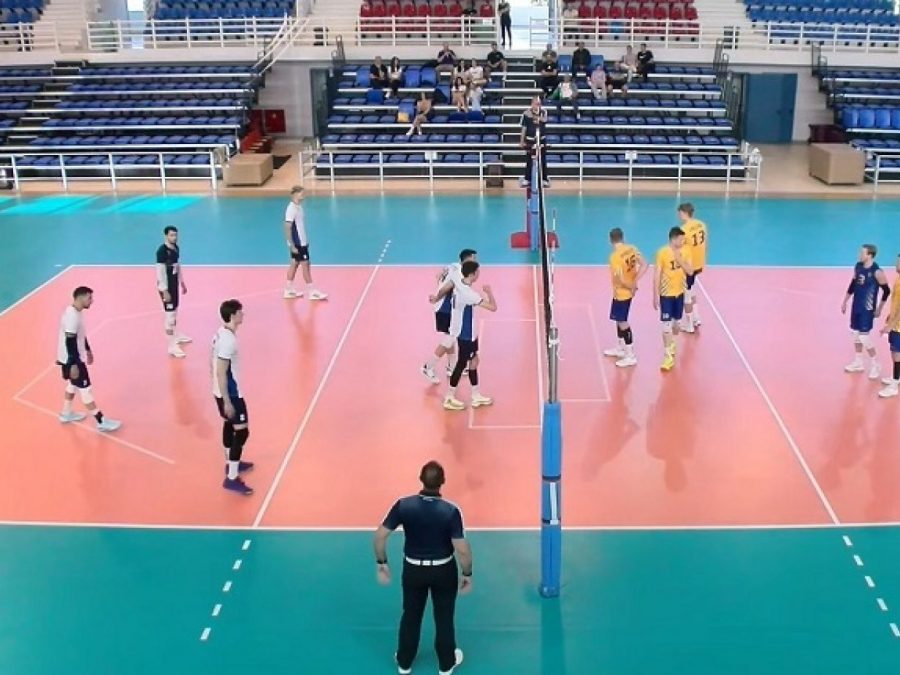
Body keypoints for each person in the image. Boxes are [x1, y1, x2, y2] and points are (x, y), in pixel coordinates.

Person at [374, 460, 473, 675]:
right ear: (443, 481)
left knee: (411, 615)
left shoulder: (403, 505)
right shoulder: (451, 511)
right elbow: (462, 550)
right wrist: (467, 573)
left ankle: (404, 662)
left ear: (421, 479)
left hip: (413, 570)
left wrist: (382, 563)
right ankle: (446, 664)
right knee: (444, 617)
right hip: (443, 571)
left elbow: (380, 536)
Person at [56, 286, 121, 432]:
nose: (92, 301)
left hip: (71, 357)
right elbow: (70, 340)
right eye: (89, 298)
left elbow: (80, 335)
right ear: (80, 297)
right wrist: (74, 364)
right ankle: (101, 421)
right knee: (85, 389)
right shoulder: (72, 316)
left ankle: (66, 413)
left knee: (72, 384)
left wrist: (88, 349)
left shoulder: (76, 312)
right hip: (72, 359)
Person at [212, 299, 254, 495]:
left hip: (220, 391)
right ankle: (231, 477)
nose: (243, 314)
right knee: (242, 432)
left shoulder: (220, 333)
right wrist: (228, 401)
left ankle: (231, 462)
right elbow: (221, 371)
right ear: (233, 315)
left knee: (229, 424)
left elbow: (212, 363)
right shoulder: (229, 341)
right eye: (240, 312)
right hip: (231, 393)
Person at [444, 260, 497, 411]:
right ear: (472, 274)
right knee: (462, 364)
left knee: (474, 361)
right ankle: (449, 397)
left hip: (470, 333)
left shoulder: (459, 283)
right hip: (465, 334)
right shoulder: (469, 294)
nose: (479, 274)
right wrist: (489, 292)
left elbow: (452, 273)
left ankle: (476, 395)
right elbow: (493, 307)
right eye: (478, 272)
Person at [423, 249, 478, 384]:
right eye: (474, 258)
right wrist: (437, 298)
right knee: (451, 337)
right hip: (445, 308)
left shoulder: (453, 266)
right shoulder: (459, 273)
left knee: (451, 336)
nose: (476, 261)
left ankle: (452, 367)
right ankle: (428, 367)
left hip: (446, 307)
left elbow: (439, 276)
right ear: (467, 259)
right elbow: (446, 287)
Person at [842, 244, 890, 380]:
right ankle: (858, 362)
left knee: (864, 337)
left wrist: (879, 308)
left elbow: (886, 291)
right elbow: (852, 285)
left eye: (862, 253)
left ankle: (875, 364)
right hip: (856, 306)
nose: (859, 255)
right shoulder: (858, 266)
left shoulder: (877, 272)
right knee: (855, 335)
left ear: (870, 255)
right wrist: (845, 301)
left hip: (867, 309)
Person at [603, 228, 647, 368]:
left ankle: (630, 355)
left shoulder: (614, 257)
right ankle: (621, 348)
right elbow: (645, 264)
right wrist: (634, 282)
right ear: (623, 237)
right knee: (618, 319)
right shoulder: (632, 248)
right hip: (624, 291)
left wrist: (631, 287)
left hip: (622, 293)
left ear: (610, 240)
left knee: (622, 322)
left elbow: (621, 279)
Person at [653, 227, 693, 372]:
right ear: (674, 239)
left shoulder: (686, 251)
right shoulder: (662, 252)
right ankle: (668, 356)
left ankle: (672, 343)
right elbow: (657, 274)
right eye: (681, 239)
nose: (683, 242)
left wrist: (679, 258)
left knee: (676, 325)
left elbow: (690, 271)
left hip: (679, 293)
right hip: (666, 295)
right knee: (666, 325)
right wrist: (655, 294)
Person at [283, 186, 327, 301]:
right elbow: (287, 227)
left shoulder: (299, 207)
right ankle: (312, 292)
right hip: (297, 243)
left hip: (302, 242)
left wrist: (305, 240)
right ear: (295, 194)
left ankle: (288, 290)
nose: (303, 196)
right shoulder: (291, 209)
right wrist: (292, 245)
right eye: (301, 194)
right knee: (306, 265)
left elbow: (300, 226)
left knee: (294, 263)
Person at [156, 225, 191, 358]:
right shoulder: (162, 251)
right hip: (166, 288)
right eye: (171, 235)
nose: (174, 237)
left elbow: (177, 266)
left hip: (174, 285)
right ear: (166, 236)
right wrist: (164, 290)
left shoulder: (176, 248)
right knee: (170, 316)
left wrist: (182, 282)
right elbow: (160, 272)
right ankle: (171, 346)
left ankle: (176, 335)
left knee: (175, 311)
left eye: (175, 235)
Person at [678, 203, 707, 333]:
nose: (679, 215)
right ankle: (696, 318)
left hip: (689, 266)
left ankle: (689, 325)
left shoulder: (683, 230)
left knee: (686, 295)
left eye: (680, 213)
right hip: (699, 263)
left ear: (684, 213)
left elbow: (679, 249)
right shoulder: (702, 224)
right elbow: (706, 244)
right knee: (691, 289)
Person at [878, 254, 900, 398]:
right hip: (895, 323)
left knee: (897, 353)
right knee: (895, 352)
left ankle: (894, 385)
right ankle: (896, 377)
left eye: (898, 262)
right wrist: (890, 316)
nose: (896, 264)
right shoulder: (898, 280)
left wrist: (890, 325)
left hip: (898, 326)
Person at [519, 95, 550, 189]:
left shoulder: (543, 112)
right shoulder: (525, 113)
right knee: (529, 160)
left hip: (541, 139)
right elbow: (523, 128)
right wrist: (521, 141)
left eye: (539, 104)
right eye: (536, 104)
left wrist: (534, 116)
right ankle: (527, 179)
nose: (538, 106)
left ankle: (544, 179)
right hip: (530, 140)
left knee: (543, 160)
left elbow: (544, 120)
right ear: (532, 104)